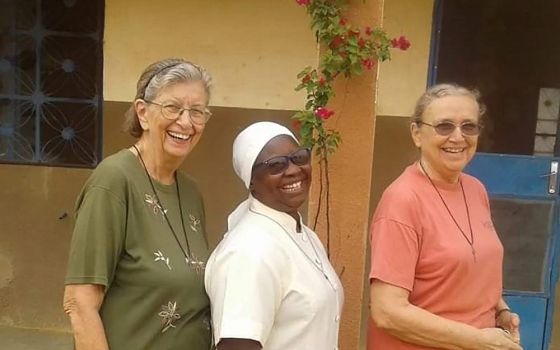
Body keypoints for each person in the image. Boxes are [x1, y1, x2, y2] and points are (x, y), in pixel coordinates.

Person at [63, 58, 213, 350]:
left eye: (197, 112)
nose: (186, 122)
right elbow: (80, 302)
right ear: (143, 113)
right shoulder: (113, 181)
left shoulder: (191, 192)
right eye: (172, 107)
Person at [368, 84, 523, 350]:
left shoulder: (475, 189)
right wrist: (478, 340)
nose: (458, 137)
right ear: (417, 134)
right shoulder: (403, 200)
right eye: (444, 127)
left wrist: (500, 311)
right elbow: (387, 312)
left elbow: (472, 264)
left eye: (469, 127)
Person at [205, 121, 344, 350]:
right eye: (275, 165)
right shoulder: (249, 251)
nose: (293, 170)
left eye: (298, 157)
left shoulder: (305, 235)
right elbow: (238, 345)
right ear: (251, 180)